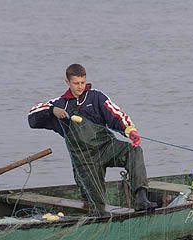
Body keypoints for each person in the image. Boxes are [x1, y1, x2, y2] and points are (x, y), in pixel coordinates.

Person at [28, 64, 157, 213]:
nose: (80, 87)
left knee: (134, 151)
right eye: (76, 83)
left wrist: (129, 130)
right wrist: (52, 110)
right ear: (67, 82)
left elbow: (117, 115)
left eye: (82, 82)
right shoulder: (59, 103)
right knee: (97, 207)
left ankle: (141, 198)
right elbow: (32, 116)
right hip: (85, 161)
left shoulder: (96, 97)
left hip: (107, 148)